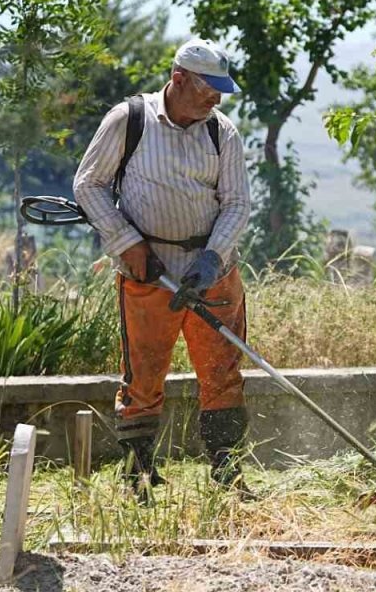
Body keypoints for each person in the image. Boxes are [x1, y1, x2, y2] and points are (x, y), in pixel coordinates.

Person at [73, 38, 252, 500]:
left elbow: (236, 203)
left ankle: (227, 474)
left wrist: (213, 259)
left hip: (212, 270)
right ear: (177, 79)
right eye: (207, 89)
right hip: (148, 271)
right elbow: (88, 185)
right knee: (144, 373)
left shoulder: (222, 132)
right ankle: (138, 474)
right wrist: (125, 241)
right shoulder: (129, 121)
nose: (215, 99)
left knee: (222, 371)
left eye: (219, 91)